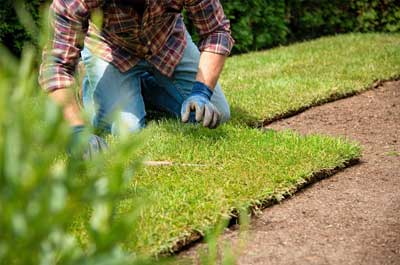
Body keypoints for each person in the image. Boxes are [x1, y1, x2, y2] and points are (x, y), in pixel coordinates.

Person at [39, 0, 234, 157]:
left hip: (166, 40)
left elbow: (216, 31)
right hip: (109, 47)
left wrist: (201, 92)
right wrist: (77, 130)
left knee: (216, 113)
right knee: (127, 132)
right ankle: (94, 88)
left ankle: (141, 89)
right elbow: (56, 67)